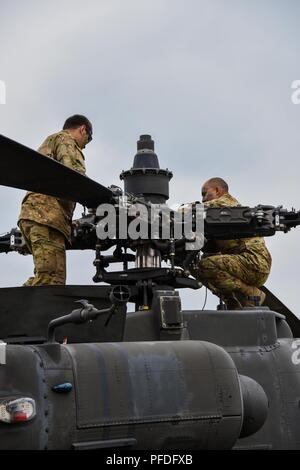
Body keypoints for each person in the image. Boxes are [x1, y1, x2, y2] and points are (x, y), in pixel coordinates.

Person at [18, 114, 93, 286]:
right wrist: (94, 198)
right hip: (45, 218)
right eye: (87, 140)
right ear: (82, 129)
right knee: (49, 281)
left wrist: (67, 221)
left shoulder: (51, 143)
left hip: (42, 217)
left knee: (53, 280)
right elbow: (74, 174)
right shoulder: (65, 140)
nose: (85, 147)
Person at [191, 177, 272, 309]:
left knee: (206, 265)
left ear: (217, 191)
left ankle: (250, 292)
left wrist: (173, 212)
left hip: (253, 263)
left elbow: (195, 210)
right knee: (198, 266)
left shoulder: (224, 204)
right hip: (247, 264)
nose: (203, 199)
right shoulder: (215, 217)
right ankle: (232, 301)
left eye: (205, 193)